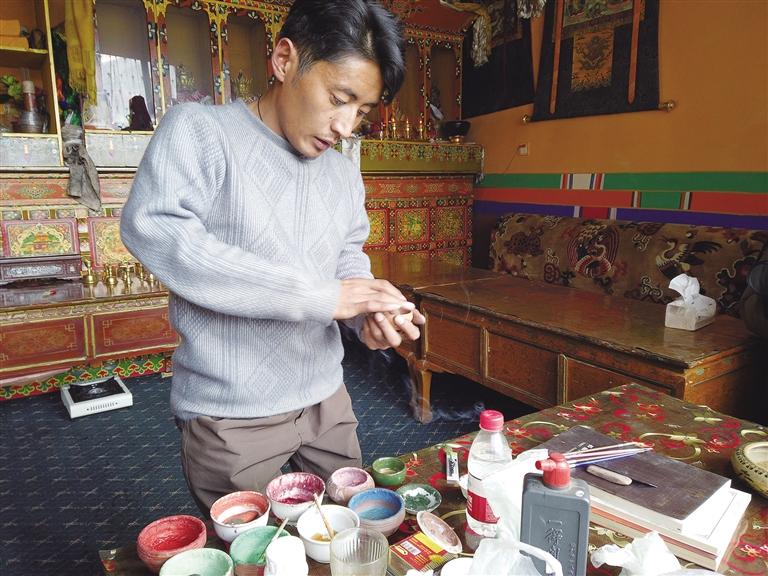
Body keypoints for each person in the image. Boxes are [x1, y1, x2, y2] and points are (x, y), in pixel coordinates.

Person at [120, 0, 423, 515]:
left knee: (348, 530)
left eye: (362, 111)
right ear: (285, 60)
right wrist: (323, 297)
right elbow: (155, 229)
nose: (346, 126)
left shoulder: (342, 171)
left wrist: (367, 315)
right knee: (258, 549)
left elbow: (346, 257)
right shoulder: (200, 132)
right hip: (231, 411)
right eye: (339, 99)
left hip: (326, 398)